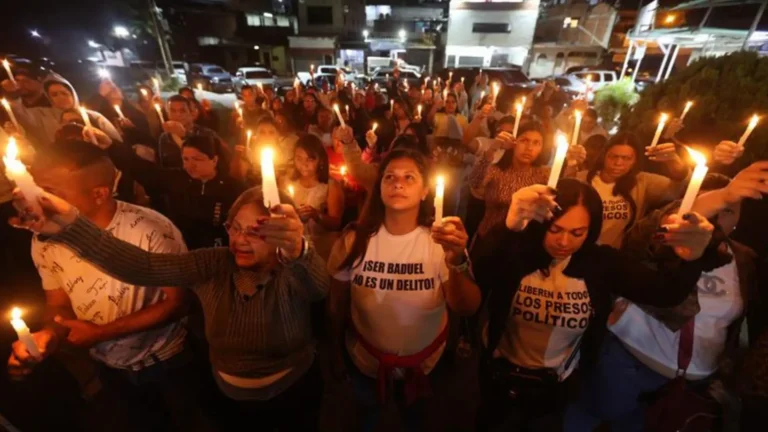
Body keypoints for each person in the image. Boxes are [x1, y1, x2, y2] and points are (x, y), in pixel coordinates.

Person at [10, 186, 329, 431]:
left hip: (292, 393)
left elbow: (319, 286)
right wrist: (71, 225)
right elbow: (142, 266)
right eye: (235, 227)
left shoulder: (294, 269)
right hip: (227, 395)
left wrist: (299, 251)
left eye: (257, 231)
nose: (241, 240)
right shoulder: (214, 263)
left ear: (282, 233)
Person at [471, 179, 719, 431]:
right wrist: (507, 228)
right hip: (498, 378)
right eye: (555, 229)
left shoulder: (600, 264)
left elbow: (665, 294)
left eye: (578, 233)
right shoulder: (516, 251)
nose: (564, 242)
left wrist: (693, 260)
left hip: (556, 387)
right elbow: (476, 273)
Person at [7, 141, 216, 432]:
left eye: (50, 193)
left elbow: (178, 303)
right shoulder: (44, 238)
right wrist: (49, 335)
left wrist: (101, 332)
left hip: (168, 361)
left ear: (99, 193)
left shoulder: (150, 228)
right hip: (109, 366)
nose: (37, 201)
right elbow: (57, 304)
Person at [565, 167, 768, 432]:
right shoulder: (665, 240)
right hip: (629, 360)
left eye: (729, 210)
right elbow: (645, 236)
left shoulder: (744, 259)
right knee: (591, 414)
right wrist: (717, 199)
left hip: (694, 377)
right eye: (712, 207)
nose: (717, 217)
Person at [327, 148, 482, 432]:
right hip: (366, 366)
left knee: (418, 421)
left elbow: (466, 306)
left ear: (425, 191)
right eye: (390, 177)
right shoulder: (354, 240)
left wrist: (456, 260)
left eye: (409, 177)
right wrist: (336, 351)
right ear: (380, 187)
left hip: (425, 368)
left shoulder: (440, 242)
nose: (398, 183)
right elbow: (337, 303)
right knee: (368, 419)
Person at [95, 128, 245, 250]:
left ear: (214, 160)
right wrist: (111, 146)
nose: (189, 165)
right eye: (185, 159)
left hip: (219, 253)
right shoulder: (176, 179)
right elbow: (141, 168)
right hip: (180, 251)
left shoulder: (233, 188)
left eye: (197, 159)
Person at [575, 132, 688, 249]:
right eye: (613, 156)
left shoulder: (642, 182)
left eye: (626, 158)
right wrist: (569, 164)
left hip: (612, 257)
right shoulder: (583, 179)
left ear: (635, 161)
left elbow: (679, 188)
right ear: (604, 155)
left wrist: (674, 162)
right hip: (576, 251)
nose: (618, 163)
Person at [285, 134, 344, 259]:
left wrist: (316, 215)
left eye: (310, 159)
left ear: (320, 160)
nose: (304, 164)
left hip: (320, 247)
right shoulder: (287, 182)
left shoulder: (330, 186)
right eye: (299, 158)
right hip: (292, 245)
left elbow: (336, 224)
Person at [157, 95, 223, 169]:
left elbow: (216, 164)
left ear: (192, 114)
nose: (177, 115)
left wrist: (183, 136)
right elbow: (164, 167)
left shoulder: (206, 134)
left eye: (182, 111)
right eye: (172, 111)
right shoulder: (165, 138)